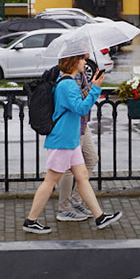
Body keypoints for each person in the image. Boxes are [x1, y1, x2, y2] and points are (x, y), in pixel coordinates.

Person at [23, 54, 122, 234]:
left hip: (71, 139)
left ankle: (100, 216)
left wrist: (92, 85)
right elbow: (81, 108)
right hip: (63, 140)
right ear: (74, 61)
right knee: (50, 181)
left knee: (82, 176)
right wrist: (95, 89)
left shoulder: (66, 81)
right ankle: (31, 220)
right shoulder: (67, 84)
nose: (85, 62)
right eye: (83, 59)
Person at [55, 69, 98, 222]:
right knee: (68, 168)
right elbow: (78, 103)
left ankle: (75, 199)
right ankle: (64, 208)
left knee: (91, 158)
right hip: (75, 125)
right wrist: (94, 86)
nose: (86, 62)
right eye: (83, 59)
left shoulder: (81, 73)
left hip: (83, 124)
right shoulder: (71, 77)